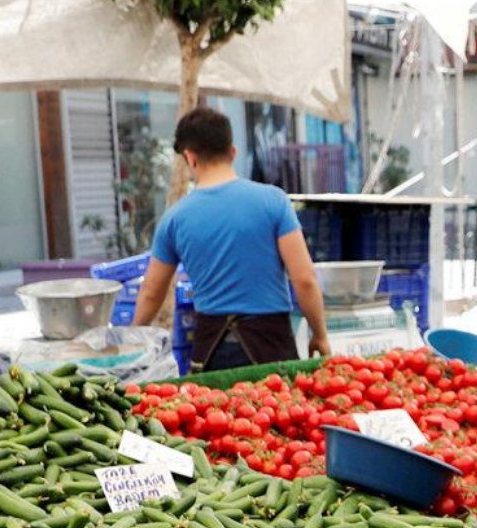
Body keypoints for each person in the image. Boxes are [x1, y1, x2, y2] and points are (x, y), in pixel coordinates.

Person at [132, 107, 330, 371]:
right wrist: (320, 334)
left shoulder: (174, 219)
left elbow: (151, 293)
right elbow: (304, 279)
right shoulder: (273, 201)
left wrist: (131, 339)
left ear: (190, 158)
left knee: (220, 411)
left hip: (212, 352)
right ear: (232, 152)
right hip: (272, 347)